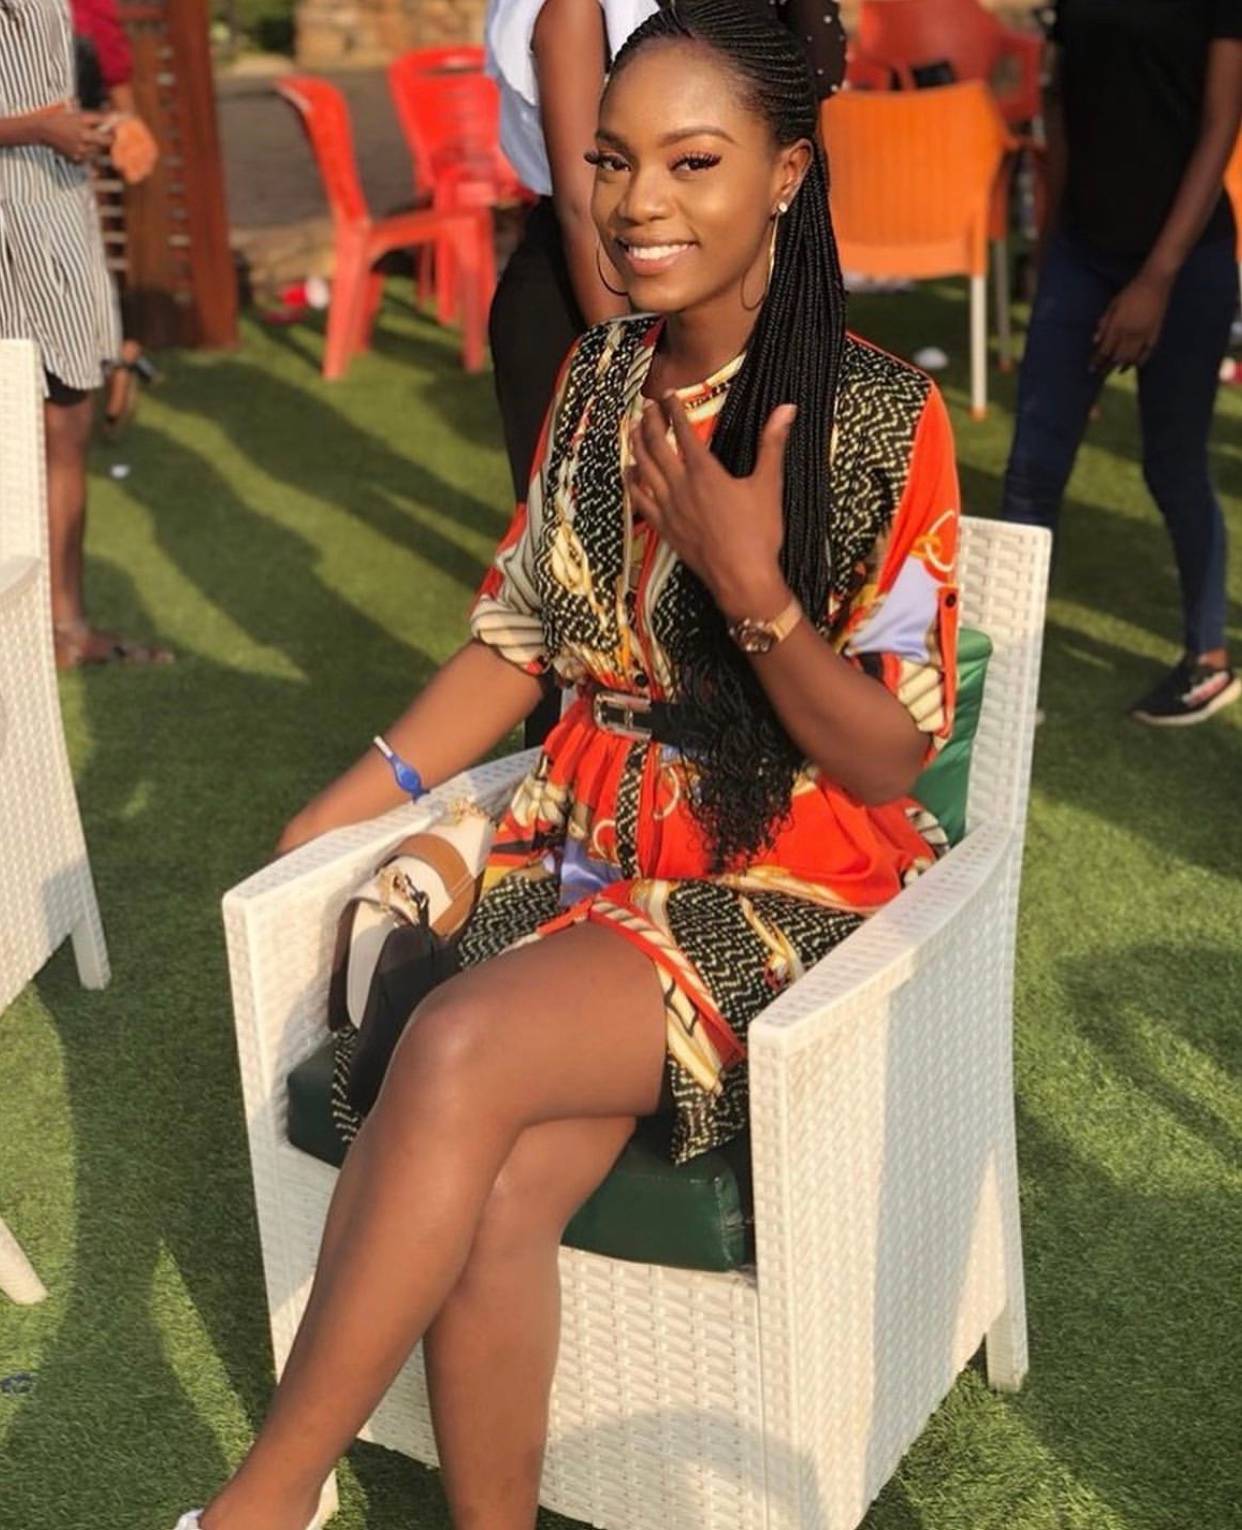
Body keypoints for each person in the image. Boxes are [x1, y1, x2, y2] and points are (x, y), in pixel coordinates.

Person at [178, 3, 960, 1525]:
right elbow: (520, 639)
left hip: (782, 881)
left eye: (692, 161)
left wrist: (754, 588)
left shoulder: (876, 414)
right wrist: (343, 804)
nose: (637, 202)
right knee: (494, 1198)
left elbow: (890, 751)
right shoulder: (601, 377)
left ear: (786, 175)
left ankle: (259, 1504)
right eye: (610, 160)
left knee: (455, 1044)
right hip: (588, 853)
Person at [487, 0, 846, 748]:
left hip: (707, 294)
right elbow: (587, 209)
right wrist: (627, 367)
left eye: (692, 160)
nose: (645, 185)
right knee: (581, 587)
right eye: (617, 161)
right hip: (594, 296)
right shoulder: (579, 13)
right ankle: (568, 760)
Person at [1002, 0, 1242, 725]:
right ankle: (1007, 674)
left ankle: (1207, 660)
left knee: (1173, 465)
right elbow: (1064, 106)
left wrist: (1157, 278)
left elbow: (1221, 125)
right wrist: (1050, 247)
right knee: (1032, 469)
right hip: (1083, 253)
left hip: (1185, 262)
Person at [0, 0, 169, 667]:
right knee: (26, 432)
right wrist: (36, 129)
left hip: (57, 208)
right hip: (13, 218)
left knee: (67, 426)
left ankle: (65, 628)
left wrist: (95, 124)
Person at [70, 0, 161, 434]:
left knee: (87, 263)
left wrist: (127, 123)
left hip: (73, 146)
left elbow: (112, 62)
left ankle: (118, 359)